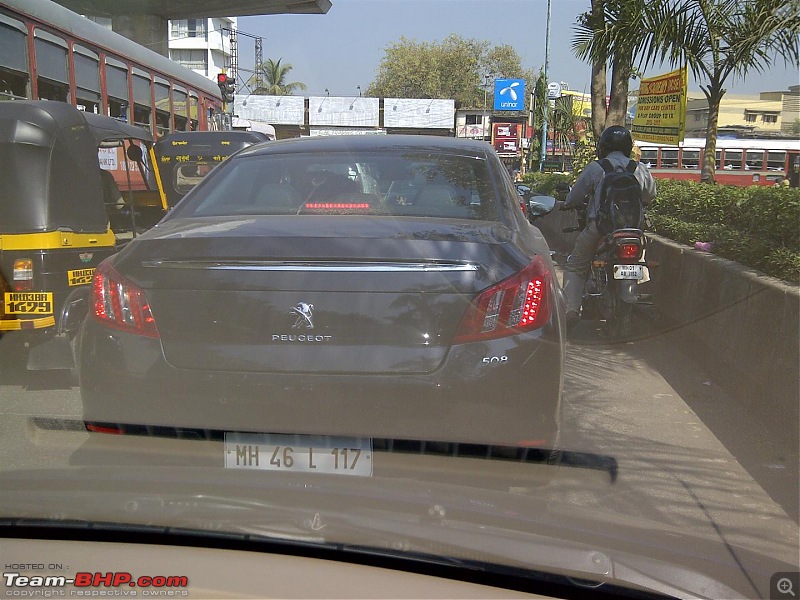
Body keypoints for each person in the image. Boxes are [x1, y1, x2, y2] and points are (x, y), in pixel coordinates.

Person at [561, 125, 657, 330]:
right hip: (632, 230)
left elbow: (574, 197)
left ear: (603, 146)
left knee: (575, 265)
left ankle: (571, 310)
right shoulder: (638, 168)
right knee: (640, 261)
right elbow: (650, 196)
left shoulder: (597, 167)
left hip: (601, 228)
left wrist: (569, 203)